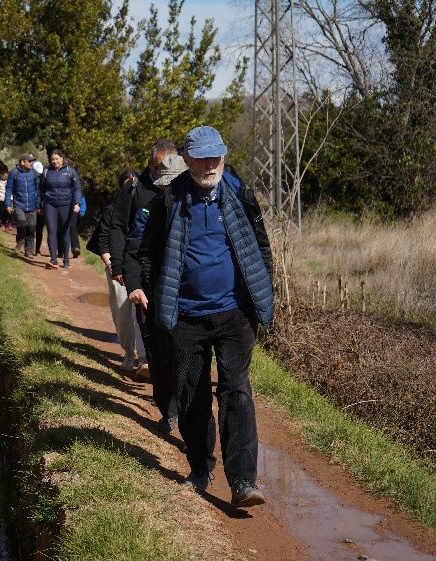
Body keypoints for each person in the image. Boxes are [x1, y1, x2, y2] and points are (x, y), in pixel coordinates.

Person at [127, 125, 274, 508]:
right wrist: (146, 290)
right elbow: (147, 253)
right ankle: (199, 468)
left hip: (234, 314)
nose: (211, 164)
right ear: (187, 158)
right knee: (192, 392)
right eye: (204, 157)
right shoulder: (168, 201)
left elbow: (260, 248)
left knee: (236, 390)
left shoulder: (240, 194)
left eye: (217, 156)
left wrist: (262, 293)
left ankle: (243, 481)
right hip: (187, 315)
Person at [108, 140, 185, 428]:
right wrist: (121, 269)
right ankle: (168, 408)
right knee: (154, 344)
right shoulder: (134, 189)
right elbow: (118, 228)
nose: (161, 173)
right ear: (151, 164)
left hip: (176, 278)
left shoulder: (183, 189)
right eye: (156, 167)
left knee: (180, 345)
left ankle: (181, 404)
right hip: (142, 273)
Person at [85, 168, 147, 371]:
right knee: (123, 314)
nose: (132, 187)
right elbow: (103, 241)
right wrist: (114, 267)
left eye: (134, 183)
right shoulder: (112, 211)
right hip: (117, 267)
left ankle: (145, 358)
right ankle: (130, 353)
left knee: (144, 314)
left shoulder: (148, 206)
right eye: (128, 184)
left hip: (141, 266)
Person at [40, 149, 82, 269]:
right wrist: (40, 205)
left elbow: (77, 188)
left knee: (64, 231)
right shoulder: (46, 171)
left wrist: (77, 203)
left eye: (56, 159)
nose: (54, 161)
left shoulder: (70, 171)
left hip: (66, 205)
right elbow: (41, 189)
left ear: (62, 158)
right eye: (52, 159)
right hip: (50, 205)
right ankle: (53, 260)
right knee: (51, 230)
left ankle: (66, 259)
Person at [5, 154, 41, 257]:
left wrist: (38, 204)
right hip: (19, 204)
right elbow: (9, 189)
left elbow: (38, 189)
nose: (31, 163)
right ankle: (20, 241)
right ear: (22, 162)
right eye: (29, 161)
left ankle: (28, 250)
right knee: (22, 223)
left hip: (32, 205)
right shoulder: (14, 173)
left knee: (31, 227)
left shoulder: (34, 173)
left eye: (32, 161)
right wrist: (8, 204)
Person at [69, 193, 86, 258]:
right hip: (61, 206)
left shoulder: (77, 184)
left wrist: (82, 209)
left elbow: (81, 195)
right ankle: (60, 249)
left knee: (72, 226)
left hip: (74, 207)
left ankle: (75, 248)